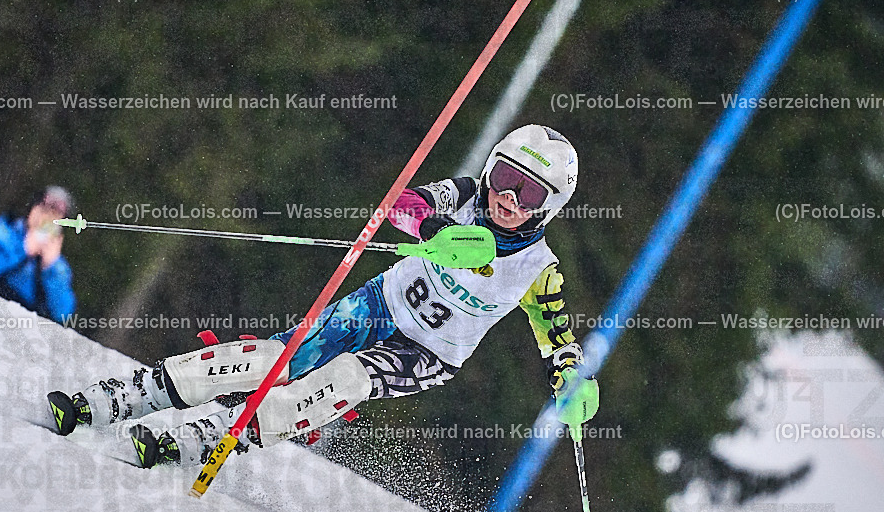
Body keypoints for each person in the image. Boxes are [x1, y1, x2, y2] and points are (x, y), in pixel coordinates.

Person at [46, 126, 598, 467]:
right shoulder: (463, 196)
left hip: (427, 353)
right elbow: (402, 203)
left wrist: (571, 378)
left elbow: (556, 336)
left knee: (344, 381)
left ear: (548, 207)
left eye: (527, 192)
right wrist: (432, 231)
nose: (507, 196)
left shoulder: (536, 269)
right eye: (504, 175)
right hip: (380, 302)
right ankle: (128, 395)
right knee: (279, 358)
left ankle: (208, 438)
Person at [0, 186, 76, 323]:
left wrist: (49, 269)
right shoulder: (2, 235)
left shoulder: (57, 266)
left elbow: (64, 314)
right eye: (45, 210)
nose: (48, 220)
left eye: (56, 217)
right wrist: (23, 250)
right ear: (33, 209)